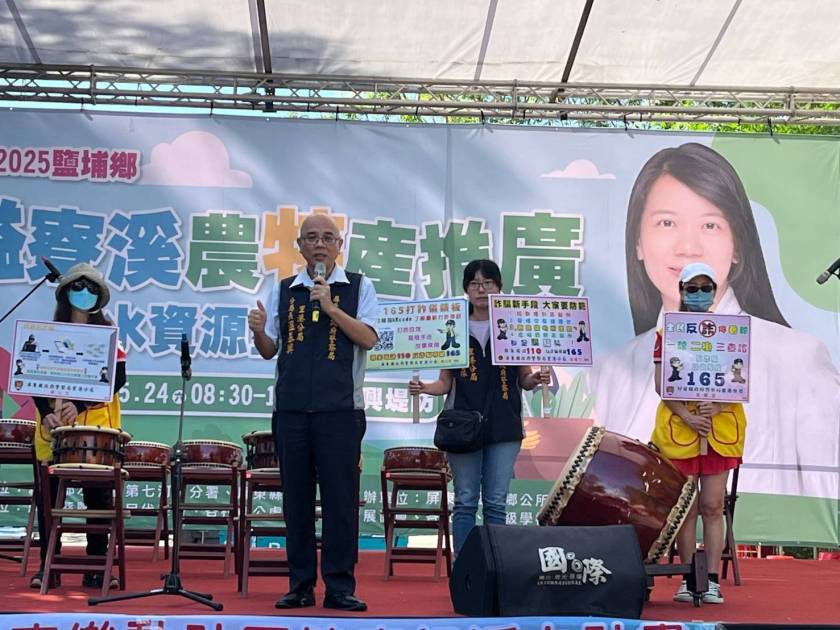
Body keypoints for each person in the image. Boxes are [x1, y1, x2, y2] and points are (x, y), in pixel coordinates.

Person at [591, 142, 840, 502]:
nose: (688, 246)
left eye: (710, 224)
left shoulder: (797, 356)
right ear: (638, 242)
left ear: (738, 245)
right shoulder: (612, 368)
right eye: (666, 222)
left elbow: (826, 492)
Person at [248, 214, 378, 612]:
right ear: (300, 245)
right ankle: (300, 585)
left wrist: (331, 308)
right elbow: (270, 350)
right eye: (311, 238)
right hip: (291, 411)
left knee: (340, 502)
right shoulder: (284, 289)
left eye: (327, 238)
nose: (319, 244)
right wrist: (258, 331)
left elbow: (369, 338)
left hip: (340, 411)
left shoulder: (359, 286)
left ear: (339, 245)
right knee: (297, 502)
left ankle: (339, 587)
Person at [408, 259, 550, 555]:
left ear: (499, 287)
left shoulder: (514, 326)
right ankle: (464, 566)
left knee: (496, 502)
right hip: (462, 426)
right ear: (466, 290)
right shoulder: (453, 327)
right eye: (474, 284)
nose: (481, 290)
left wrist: (536, 378)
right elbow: (444, 383)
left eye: (488, 283)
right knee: (465, 500)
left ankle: (495, 566)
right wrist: (424, 388)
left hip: (504, 425)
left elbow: (524, 379)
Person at [651, 262, 746, 605]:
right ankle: (689, 577)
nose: (700, 294)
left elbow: (739, 379)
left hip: (720, 428)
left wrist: (716, 407)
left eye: (707, 288)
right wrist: (688, 416)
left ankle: (712, 580)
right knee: (688, 508)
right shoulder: (667, 332)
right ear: (681, 291)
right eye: (693, 288)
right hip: (681, 428)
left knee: (713, 505)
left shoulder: (731, 333)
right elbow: (661, 383)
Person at [30, 263, 127, 590]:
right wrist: (46, 411)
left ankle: (98, 566)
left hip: (95, 428)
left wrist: (81, 404)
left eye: (91, 289)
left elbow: (119, 378)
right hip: (54, 426)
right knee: (48, 499)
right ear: (64, 293)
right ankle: (48, 566)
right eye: (77, 287)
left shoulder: (109, 334)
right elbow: (31, 375)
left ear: (100, 297)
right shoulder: (47, 333)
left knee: (98, 499)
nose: (84, 294)